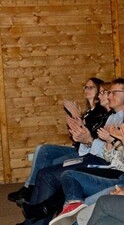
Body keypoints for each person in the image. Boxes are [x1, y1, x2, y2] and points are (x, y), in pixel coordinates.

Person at [7, 77, 109, 205]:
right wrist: (76, 121)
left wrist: (76, 116)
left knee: (53, 163)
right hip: (79, 148)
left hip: (87, 152)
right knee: (43, 149)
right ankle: (29, 188)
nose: (87, 90)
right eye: (85, 87)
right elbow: (78, 136)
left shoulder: (101, 112)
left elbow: (90, 136)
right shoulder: (89, 111)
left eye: (91, 87)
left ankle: (37, 196)